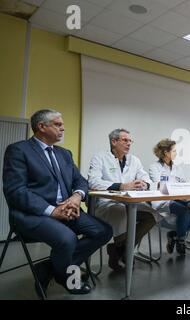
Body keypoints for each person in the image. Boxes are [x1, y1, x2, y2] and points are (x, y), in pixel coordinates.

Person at [2, 109, 112, 298]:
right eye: (58, 124)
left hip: (67, 210)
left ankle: (48, 269)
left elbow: (80, 181)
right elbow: (16, 191)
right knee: (67, 238)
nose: (63, 128)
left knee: (104, 231)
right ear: (41, 127)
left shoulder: (64, 154)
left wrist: (77, 196)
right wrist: (52, 211)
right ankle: (67, 276)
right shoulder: (18, 150)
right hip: (32, 214)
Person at [88, 128, 159, 271]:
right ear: (114, 142)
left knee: (152, 215)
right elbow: (93, 182)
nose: (129, 143)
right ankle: (123, 250)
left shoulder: (134, 160)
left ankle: (119, 249)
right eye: (125, 140)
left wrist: (144, 183)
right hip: (107, 204)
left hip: (130, 203)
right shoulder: (100, 157)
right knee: (120, 212)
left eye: (130, 140)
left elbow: (146, 178)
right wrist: (121, 186)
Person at [149, 139, 190, 256]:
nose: (176, 153)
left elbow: (183, 183)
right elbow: (159, 186)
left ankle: (174, 235)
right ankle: (181, 240)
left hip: (179, 198)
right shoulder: (154, 167)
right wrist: (175, 189)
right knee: (184, 211)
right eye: (174, 150)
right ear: (166, 153)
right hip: (163, 199)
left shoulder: (178, 167)